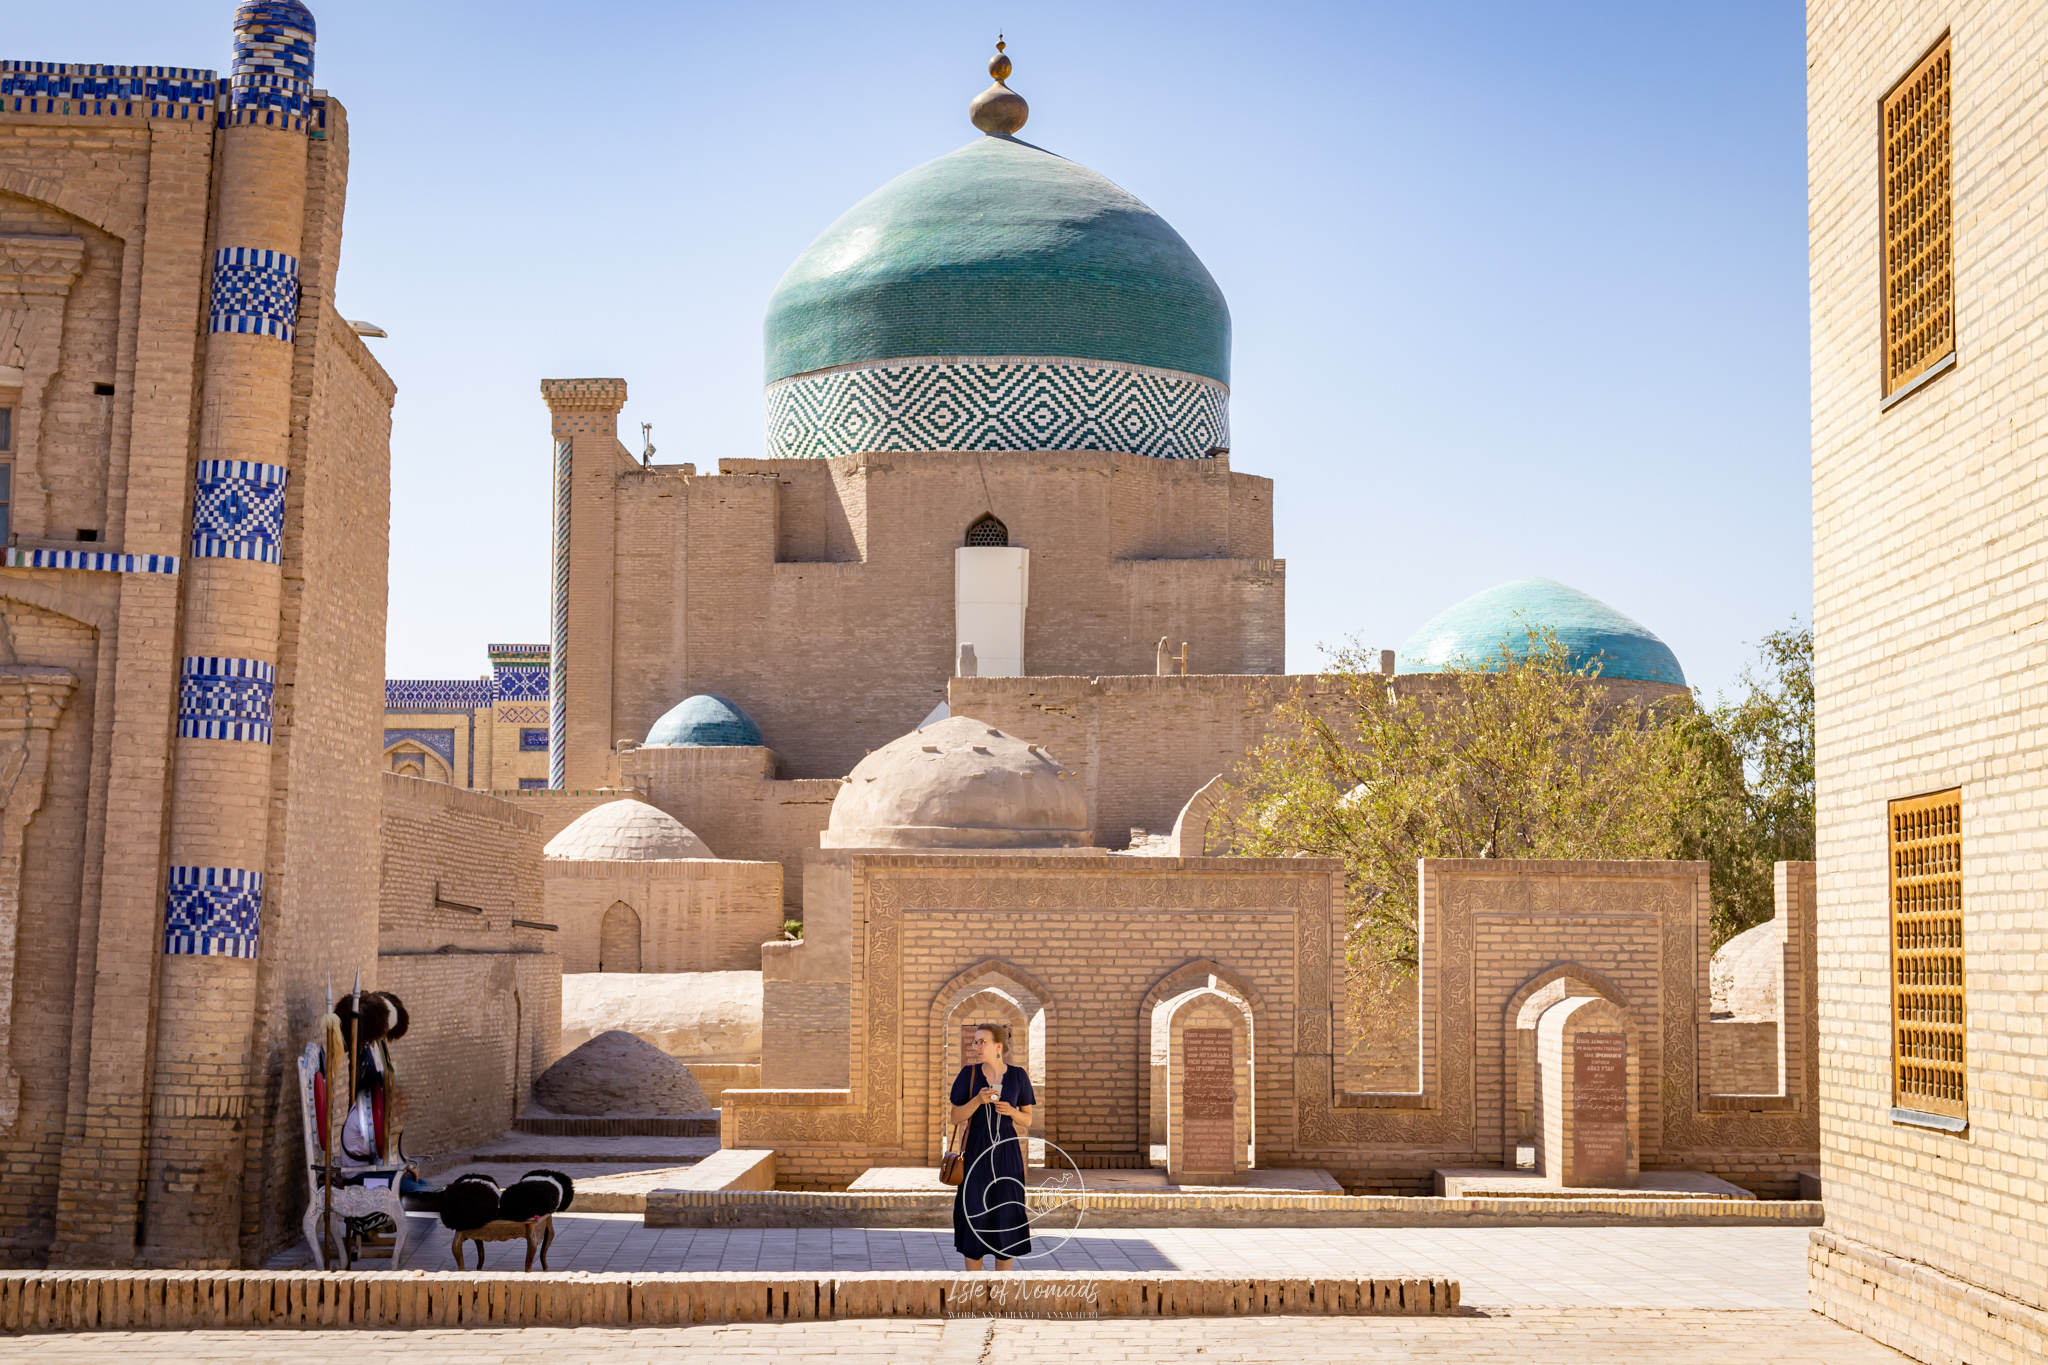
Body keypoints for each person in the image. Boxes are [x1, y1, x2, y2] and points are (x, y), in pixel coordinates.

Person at [948, 1022, 1035, 1270]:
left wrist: (1011, 1111)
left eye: (982, 1042)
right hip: (976, 1152)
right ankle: (974, 1288)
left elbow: (1027, 1120)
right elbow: (955, 1117)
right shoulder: (969, 1074)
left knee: (1006, 1214)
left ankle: (1001, 1291)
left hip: (1008, 1154)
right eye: (975, 1042)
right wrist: (977, 1100)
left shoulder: (1018, 1075)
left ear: (999, 1046)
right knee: (973, 1211)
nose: (976, 1046)